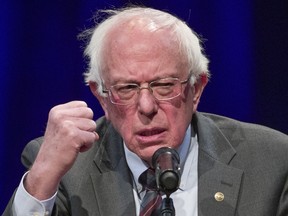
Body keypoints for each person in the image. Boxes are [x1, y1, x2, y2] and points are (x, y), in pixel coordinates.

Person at [3, 6, 288, 216]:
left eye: (163, 86)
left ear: (196, 89)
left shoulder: (273, 162)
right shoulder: (66, 171)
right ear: (101, 97)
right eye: (126, 88)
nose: (147, 107)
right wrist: (40, 180)